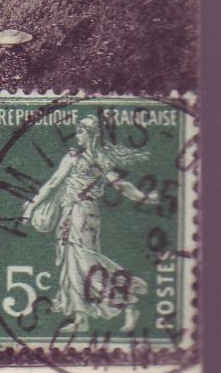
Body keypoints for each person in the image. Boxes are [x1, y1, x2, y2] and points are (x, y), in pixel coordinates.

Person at [22, 114, 159, 333]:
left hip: (79, 213)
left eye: (80, 131)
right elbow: (120, 185)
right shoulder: (97, 158)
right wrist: (143, 197)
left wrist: (31, 207)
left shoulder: (79, 158)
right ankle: (81, 318)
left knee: (83, 261)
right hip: (81, 213)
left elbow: (52, 185)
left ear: (90, 134)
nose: (77, 136)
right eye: (77, 131)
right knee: (72, 263)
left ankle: (128, 300)